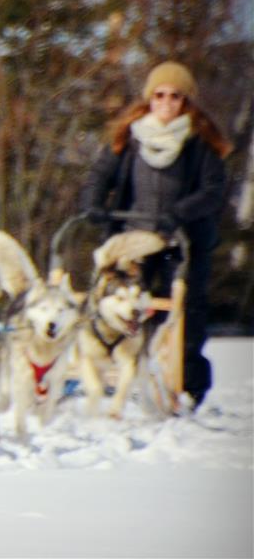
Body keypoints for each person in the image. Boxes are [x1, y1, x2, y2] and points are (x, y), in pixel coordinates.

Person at [79, 60, 231, 411]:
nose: (166, 103)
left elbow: (212, 190)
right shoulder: (129, 139)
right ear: (149, 99)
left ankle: (188, 386)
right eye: (159, 95)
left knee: (184, 312)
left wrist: (178, 214)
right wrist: (93, 204)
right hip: (132, 236)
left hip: (183, 240)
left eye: (175, 96)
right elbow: (99, 176)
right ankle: (111, 369)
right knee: (120, 303)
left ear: (186, 102)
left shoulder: (200, 144)